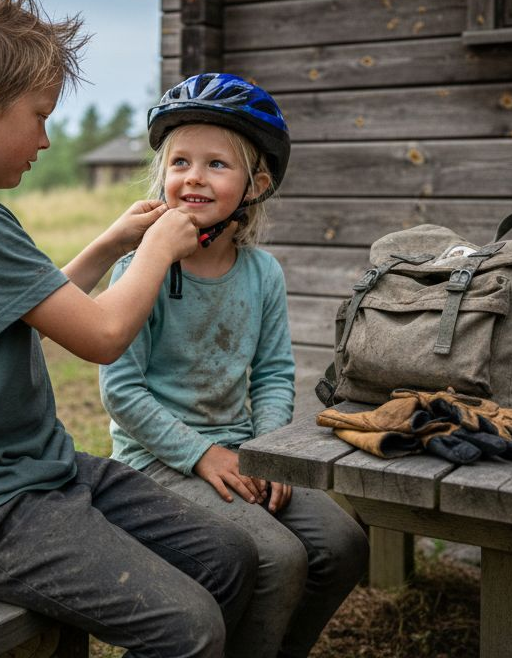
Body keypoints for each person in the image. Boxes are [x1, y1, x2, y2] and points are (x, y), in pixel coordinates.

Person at [0, 0, 259, 658]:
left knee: (229, 558)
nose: (47, 140)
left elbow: (35, 303)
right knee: (190, 627)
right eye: (41, 116)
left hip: (36, 473)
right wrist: (160, 250)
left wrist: (111, 243)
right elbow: (104, 335)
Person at [100, 73, 369, 658]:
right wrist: (202, 455)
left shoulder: (262, 274)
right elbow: (121, 390)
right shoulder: (140, 272)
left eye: (216, 164)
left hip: (243, 450)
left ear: (256, 184)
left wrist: (268, 452)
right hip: (159, 460)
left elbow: (273, 374)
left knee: (344, 543)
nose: (193, 176)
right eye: (180, 162)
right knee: (278, 558)